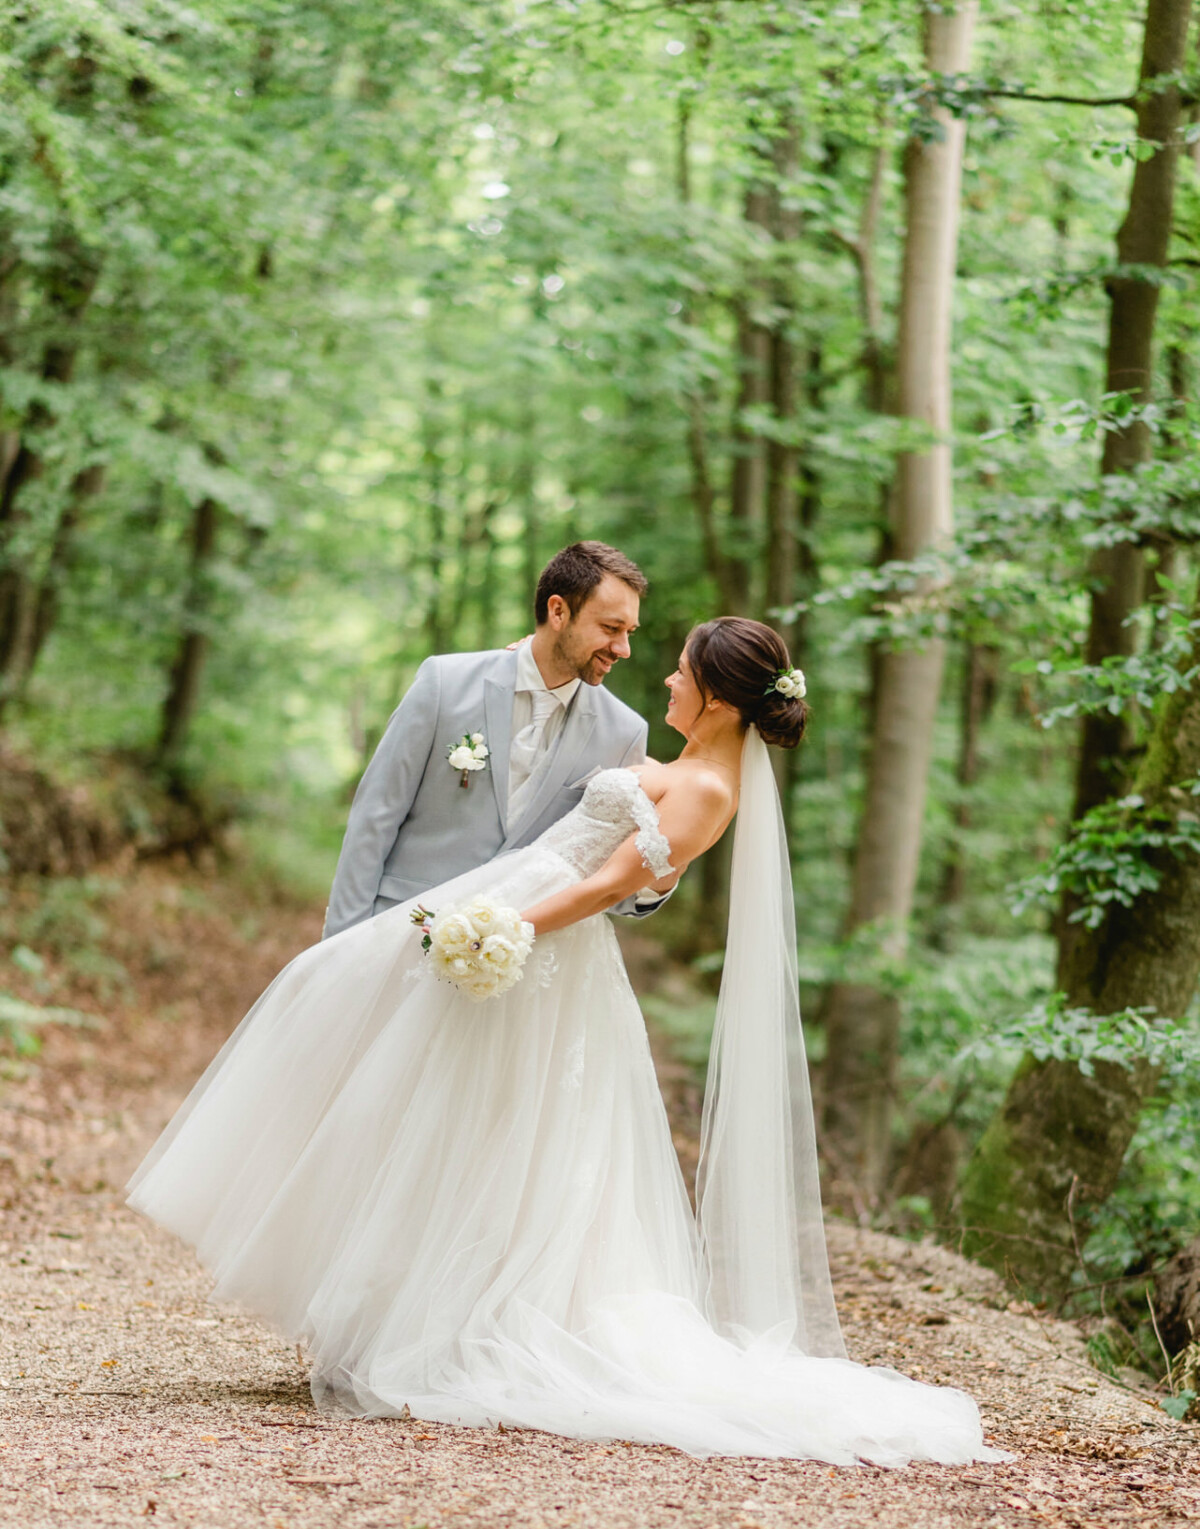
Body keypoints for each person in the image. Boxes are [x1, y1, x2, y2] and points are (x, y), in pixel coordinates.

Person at [128, 615, 1002, 1466]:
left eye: (683, 668)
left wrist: (498, 926)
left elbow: (611, 885)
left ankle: (455, 1324)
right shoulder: (688, 763)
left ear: (721, 698)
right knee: (445, 1106)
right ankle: (402, 1309)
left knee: (512, 1135)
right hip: (525, 930)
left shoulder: (706, 788)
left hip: (540, 946)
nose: (664, 674)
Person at [322, 540, 671, 937]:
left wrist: (664, 866)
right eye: (611, 628)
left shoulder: (624, 733)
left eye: (629, 632)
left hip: (512, 965)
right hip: (401, 927)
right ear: (558, 611)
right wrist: (340, 942)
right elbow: (375, 818)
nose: (623, 648)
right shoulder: (443, 683)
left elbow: (608, 882)